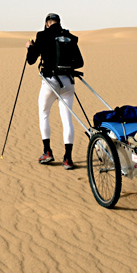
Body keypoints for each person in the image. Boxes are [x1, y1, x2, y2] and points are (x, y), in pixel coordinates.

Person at [25, 13, 83, 170]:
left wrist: (30, 47)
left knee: (44, 114)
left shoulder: (42, 35)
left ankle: (47, 152)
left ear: (47, 23)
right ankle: (68, 159)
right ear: (59, 23)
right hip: (68, 83)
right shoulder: (69, 37)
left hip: (50, 82)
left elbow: (31, 60)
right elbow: (80, 62)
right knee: (67, 120)